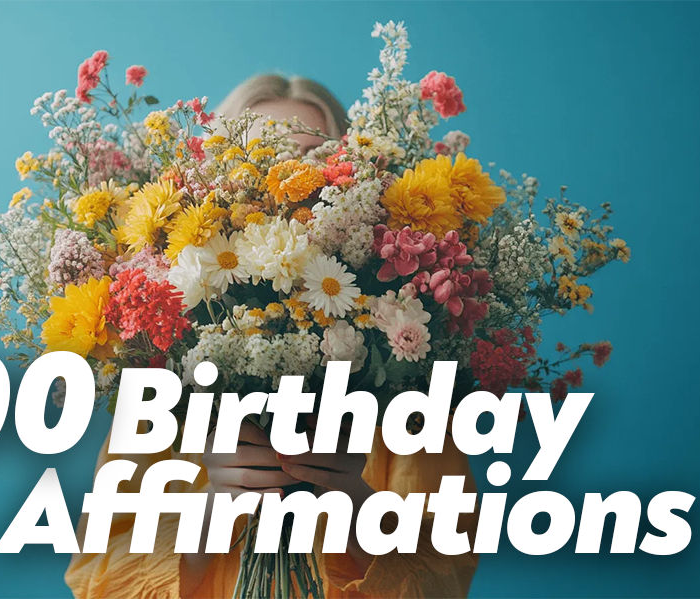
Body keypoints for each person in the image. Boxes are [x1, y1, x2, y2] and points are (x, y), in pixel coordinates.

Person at [65, 74, 480, 599]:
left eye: (310, 157)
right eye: (258, 155)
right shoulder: (156, 375)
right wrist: (213, 513)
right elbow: (97, 574)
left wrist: (351, 496)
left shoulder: (411, 368)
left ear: (354, 185)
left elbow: (449, 571)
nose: (284, 178)